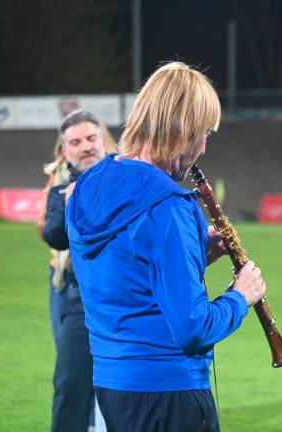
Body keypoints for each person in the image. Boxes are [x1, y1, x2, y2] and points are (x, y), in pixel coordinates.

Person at [66, 62, 267, 432]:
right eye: (204, 132)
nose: (204, 145)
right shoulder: (168, 206)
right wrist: (242, 296)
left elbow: (126, 278)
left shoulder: (85, 187)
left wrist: (193, 255)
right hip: (170, 392)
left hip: (112, 386)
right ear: (183, 129)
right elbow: (194, 328)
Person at [37, 109, 115, 432]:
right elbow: (53, 233)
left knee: (131, 392)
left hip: (129, 304)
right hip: (79, 303)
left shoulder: (130, 181)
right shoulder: (60, 193)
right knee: (70, 386)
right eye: (75, 142)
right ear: (65, 151)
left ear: (103, 141)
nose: (85, 146)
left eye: (91, 138)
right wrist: (73, 203)